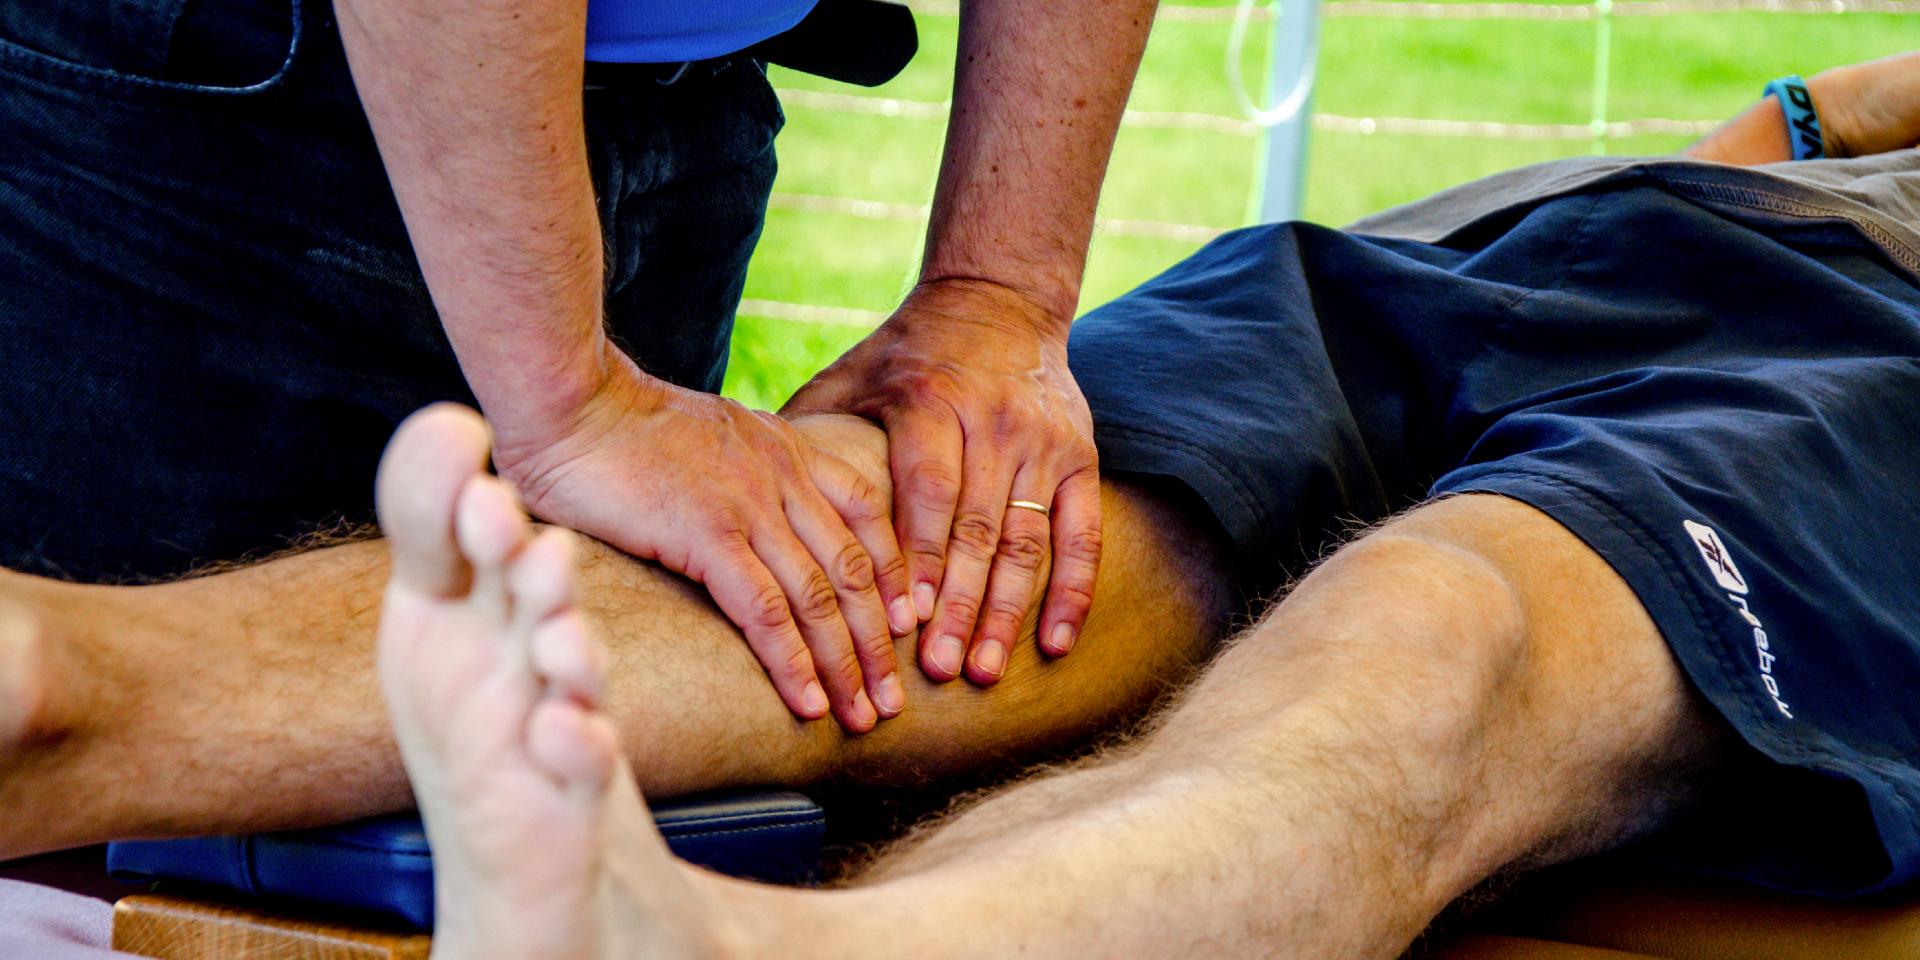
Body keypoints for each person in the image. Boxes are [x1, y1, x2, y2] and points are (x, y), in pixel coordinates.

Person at [2, 52, 1919, 957]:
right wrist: (1798, 126)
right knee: (938, 523)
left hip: (1874, 343)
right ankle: (59, 682)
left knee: (1447, 634)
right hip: (1588, 230)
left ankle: (736, 955)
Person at [0, 0, 1152, 736]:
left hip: (691, 90)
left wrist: (1000, 287)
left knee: (560, 754)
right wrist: (571, 404)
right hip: (211, 98)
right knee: (119, 764)